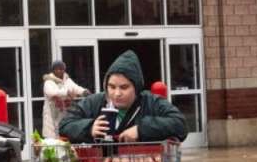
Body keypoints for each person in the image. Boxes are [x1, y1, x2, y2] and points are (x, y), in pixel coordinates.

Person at [58, 50, 186, 144]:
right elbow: (65, 124)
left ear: (136, 87)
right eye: (112, 87)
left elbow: (180, 124)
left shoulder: (152, 102)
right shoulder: (94, 102)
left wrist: (141, 130)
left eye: (124, 87)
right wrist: (89, 128)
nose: (116, 93)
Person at [40, 60, 87, 139]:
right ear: (53, 70)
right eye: (57, 69)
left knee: (63, 135)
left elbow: (75, 87)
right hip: (52, 113)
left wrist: (84, 91)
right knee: (52, 137)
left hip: (63, 112)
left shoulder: (67, 80)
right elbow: (51, 92)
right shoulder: (49, 81)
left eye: (61, 69)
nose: (59, 71)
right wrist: (66, 92)